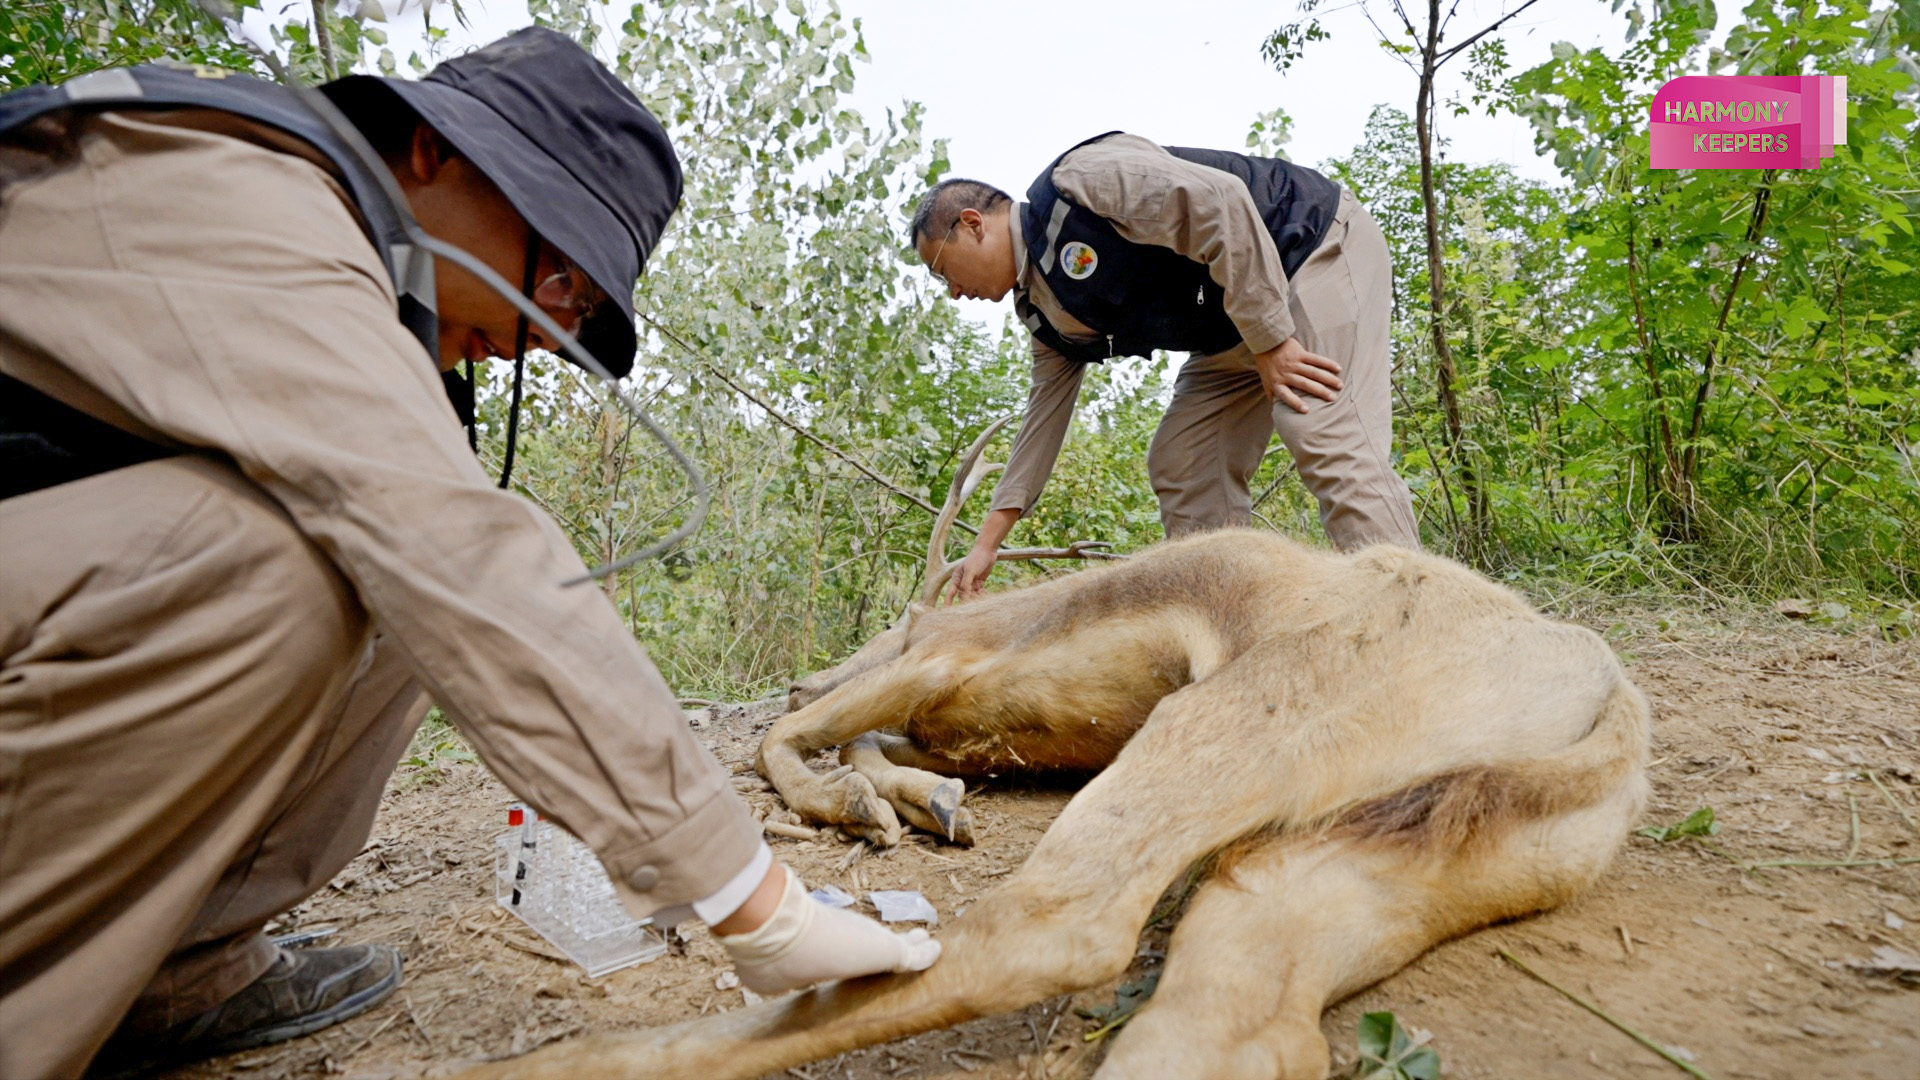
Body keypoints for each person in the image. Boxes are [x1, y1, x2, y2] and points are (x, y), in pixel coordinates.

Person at [0, 28, 934, 1079]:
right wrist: (753, 904)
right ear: (435, 153)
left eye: (579, 311)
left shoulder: (359, 261)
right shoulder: (235, 186)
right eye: (561, 273)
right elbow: (454, 544)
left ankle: (176, 971)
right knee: (291, 564)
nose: (551, 330)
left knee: (380, 580)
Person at [909, 131, 1421, 601]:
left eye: (940, 271)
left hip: (1307, 249)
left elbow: (1222, 202)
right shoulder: (1044, 314)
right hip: (1235, 326)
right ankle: (1233, 627)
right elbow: (1041, 426)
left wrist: (1271, 342)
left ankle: (1410, 620)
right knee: (1185, 461)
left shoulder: (1080, 181)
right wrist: (986, 546)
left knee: (1319, 425)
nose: (953, 292)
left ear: (972, 224)